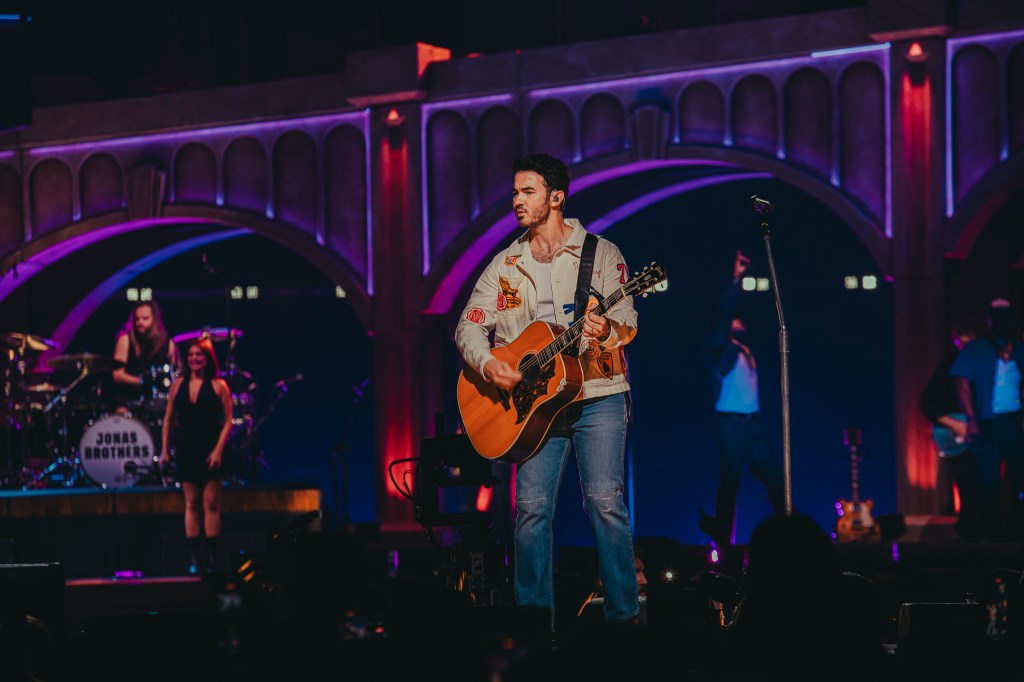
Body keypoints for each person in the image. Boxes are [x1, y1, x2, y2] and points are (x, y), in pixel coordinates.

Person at [455, 152, 640, 629]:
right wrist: (490, 362)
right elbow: (469, 326)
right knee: (531, 511)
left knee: (605, 503)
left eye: (528, 191)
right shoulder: (505, 264)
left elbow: (627, 323)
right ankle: (534, 627)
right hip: (535, 409)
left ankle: (625, 622)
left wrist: (604, 331)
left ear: (556, 197)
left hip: (598, 393)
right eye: (515, 191)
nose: (516, 200)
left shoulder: (602, 254)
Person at [699, 250, 784, 550]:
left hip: (753, 425)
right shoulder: (720, 350)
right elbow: (724, 313)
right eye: (736, 321)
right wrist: (736, 278)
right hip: (731, 425)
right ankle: (723, 539)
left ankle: (789, 531)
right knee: (730, 483)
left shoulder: (746, 350)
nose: (740, 323)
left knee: (776, 479)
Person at [949, 298, 1024, 542]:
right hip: (987, 423)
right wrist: (971, 419)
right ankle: (992, 536)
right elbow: (962, 383)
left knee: (1018, 478)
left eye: (1005, 317)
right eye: (995, 317)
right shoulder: (977, 349)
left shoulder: (1020, 349)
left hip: (1014, 422)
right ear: (988, 319)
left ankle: (1014, 531)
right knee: (988, 481)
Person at [159, 337, 234, 574]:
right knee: (191, 503)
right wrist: (164, 450)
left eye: (199, 355)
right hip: (186, 446)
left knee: (211, 503)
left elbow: (229, 420)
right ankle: (194, 558)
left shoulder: (219, 385)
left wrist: (218, 450)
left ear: (207, 358)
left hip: (211, 447)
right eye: (191, 355)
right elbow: (169, 419)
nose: (194, 359)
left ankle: (212, 557)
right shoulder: (177, 385)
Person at [919, 319, 982, 541]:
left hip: (984, 439)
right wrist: (954, 423)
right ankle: (967, 539)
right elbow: (927, 402)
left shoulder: (986, 367)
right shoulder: (947, 368)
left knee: (984, 488)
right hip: (959, 439)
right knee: (968, 488)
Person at [111, 300, 179, 413]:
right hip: (130, 401)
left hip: (160, 401)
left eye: (145, 318)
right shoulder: (125, 340)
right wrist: (144, 382)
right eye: (137, 319)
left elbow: (176, 373)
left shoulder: (168, 343)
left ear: (154, 320)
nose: (140, 322)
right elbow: (117, 374)